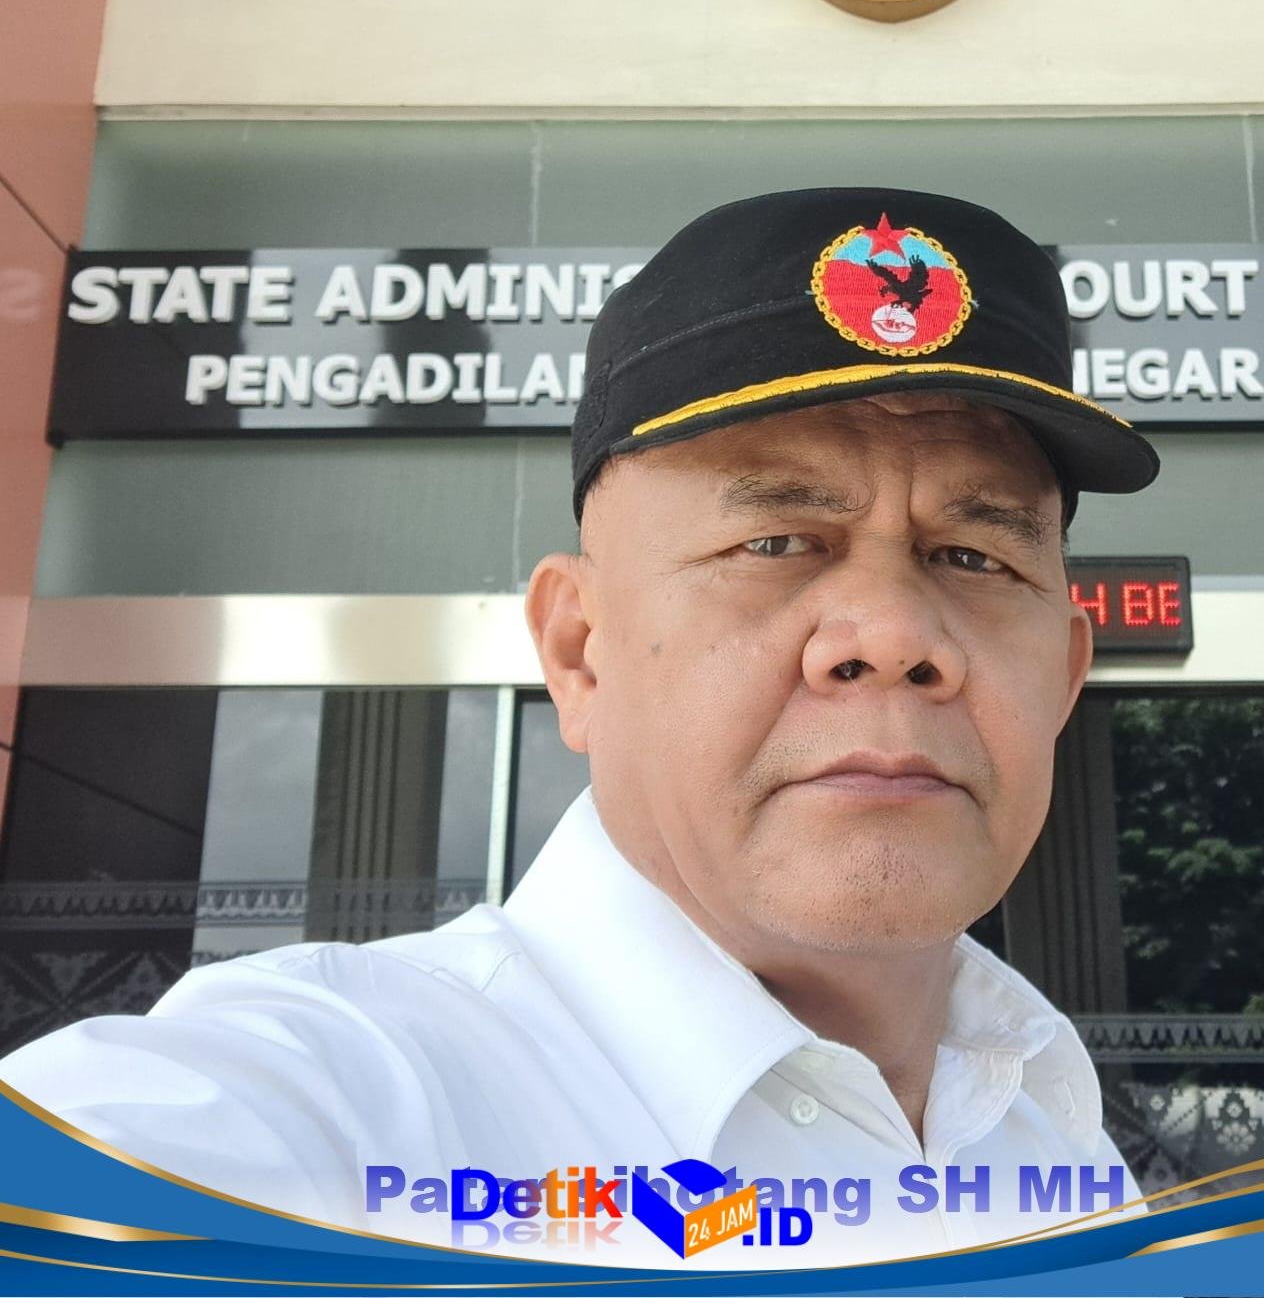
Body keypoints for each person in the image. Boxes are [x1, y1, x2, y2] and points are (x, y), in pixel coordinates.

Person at [0, 189, 1159, 1268]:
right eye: (774, 542)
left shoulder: (1047, 1128)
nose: (896, 633)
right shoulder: (338, 1117)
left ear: (1063, 676)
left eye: (974, 554)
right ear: (578, 650)